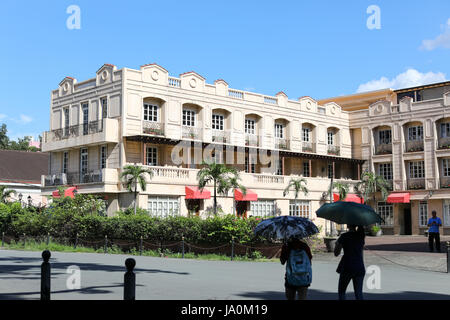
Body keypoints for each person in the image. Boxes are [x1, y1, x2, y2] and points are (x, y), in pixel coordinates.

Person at [334, 225, 365, 300]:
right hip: (359, 266)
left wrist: (337, 244)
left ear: (348, 225)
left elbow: (336, 253)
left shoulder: (344, 236)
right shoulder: (361, 236)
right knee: (358, 293)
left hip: (347, 266)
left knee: (342, 292)